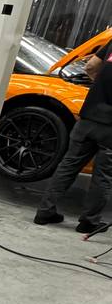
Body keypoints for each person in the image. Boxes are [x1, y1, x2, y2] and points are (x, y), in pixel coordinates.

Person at [34, 38, 112, 233]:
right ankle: (89, 221)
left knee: (68, 166)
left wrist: (100, 89)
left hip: (88, 117)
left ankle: (44, 211)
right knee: (102, 176)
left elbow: (90, 66)